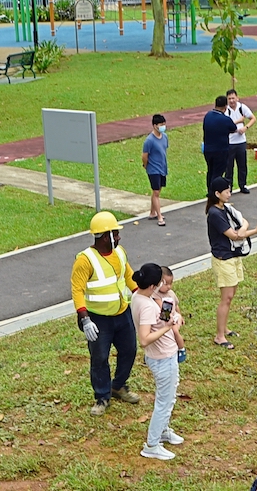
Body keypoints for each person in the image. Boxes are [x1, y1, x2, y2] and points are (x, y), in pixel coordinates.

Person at [71, 212, 140, 417]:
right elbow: (77, 290)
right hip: (98, 319)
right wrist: (85, 319)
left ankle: (118, 386)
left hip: (122, 313)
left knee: (129, 350)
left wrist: (140, 295)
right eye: (115, 234)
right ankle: (102, 397)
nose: (118, 238)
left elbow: (128, 276)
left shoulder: (120, 253)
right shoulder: (85, 260)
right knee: (100, 358)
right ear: (104, 236)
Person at [131, 262, 185, 460]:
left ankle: (162, 431)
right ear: (153, 285)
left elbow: (160, 313)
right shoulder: (145, 305)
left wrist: (170, 315)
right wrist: (169, 326)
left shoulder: (140, 295)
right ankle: (152, 445)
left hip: (163, 356)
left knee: (168, 398)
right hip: (162, 358)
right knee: (164, 401)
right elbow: (144, 339)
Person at [205, 178, 257, 348]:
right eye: (227, 191)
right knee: (226, 298)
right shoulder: (215, 214)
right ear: (217, 194)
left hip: (233, 256)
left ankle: (224, 328)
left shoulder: (226, 208)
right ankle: (219, 336)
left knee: (230, 297)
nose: (230, 194)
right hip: (224, 259)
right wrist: (255, 231)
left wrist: (244, 229)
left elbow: (242, 222)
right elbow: (234, 235)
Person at [201, 94, 243, 189]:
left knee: (210, 171)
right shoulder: (225, 119)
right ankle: (215, 192)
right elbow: (233, 128)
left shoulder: (208, 116)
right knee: (218, 173)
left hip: (208, 150)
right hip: (220, 151)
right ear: (225, 107)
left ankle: (209, 190)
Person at [225, 88, 255, 194]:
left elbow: (253, 118)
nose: (232, 101)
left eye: (233, 98)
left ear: (237, 98)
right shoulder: (226, 110)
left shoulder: (242, 107)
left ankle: (243, 185)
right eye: (229, 99)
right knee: (229, 166)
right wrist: (239, 121)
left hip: (241, 142)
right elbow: (226, 124)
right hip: (229, 142)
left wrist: (245, 127)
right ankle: (229, 186)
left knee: (242, 165)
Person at [141, 114, 169, 227]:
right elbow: (144, 156)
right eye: (160, 124)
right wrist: (146, 165)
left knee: (157, 191)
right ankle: (159, 216)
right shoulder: (149, 141)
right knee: (156, 192)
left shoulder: (165, 137)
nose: (163, 126)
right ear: (154, 126)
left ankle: (152, 212)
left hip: (162, 168)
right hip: (153, 169)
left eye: (164, 124)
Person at [158, 264, 186, 362]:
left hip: (174, 317)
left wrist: (180, 316)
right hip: (163, 319)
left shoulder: (171, 294)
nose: (169, 287)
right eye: (166, 284)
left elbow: (176, 305)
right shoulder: (155, 294)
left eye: (171, 283)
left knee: (174, 331)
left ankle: (181, 349)